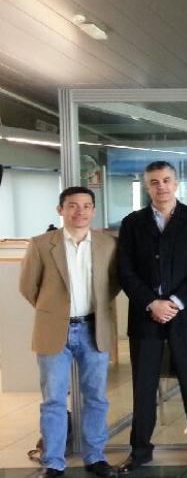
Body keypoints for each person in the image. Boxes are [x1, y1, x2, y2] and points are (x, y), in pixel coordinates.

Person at [116, 161, 187, 473]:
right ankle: (140, 451)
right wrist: (152, 303)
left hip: (185, 316)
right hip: (146, 317)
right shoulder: (132, 223)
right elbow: (125, 271)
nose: (161, 186)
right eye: (154, 182)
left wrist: (173, 302)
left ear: (176, 183)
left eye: (167, 180)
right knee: (144, 386)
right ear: (147, 187)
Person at [19, 187, 120, 478]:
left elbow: (113, 284)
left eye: (87, 206)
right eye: (73, 206)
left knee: (96, 398)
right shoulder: (41, 244)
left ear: (94, 210)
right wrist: (54, 311)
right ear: (60, 209)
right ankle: (53, 461)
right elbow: (28, 287)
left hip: (93, 329)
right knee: (52, 399)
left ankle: (95, 457)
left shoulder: (107, 244)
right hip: (54, 330)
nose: (80, 212)